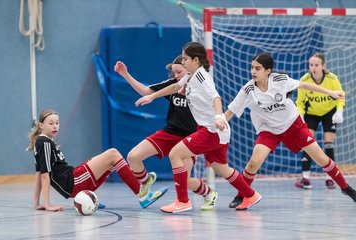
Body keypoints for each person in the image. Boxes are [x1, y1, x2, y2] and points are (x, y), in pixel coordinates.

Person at [135, 42, 262, 213]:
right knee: (221, 168)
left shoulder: (202, 78)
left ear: (196, 60)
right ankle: (251, 195)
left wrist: (218, 116)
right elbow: (174, 87)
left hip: (212, 130)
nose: (183, 61)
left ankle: (182, 201)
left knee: (175, 154)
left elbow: (216, 97)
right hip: (216, 131)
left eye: (186, 58)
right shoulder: (191, 77)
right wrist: (153, 97)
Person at [225, 53, 356, 208]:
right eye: (252, 67)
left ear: (268, 71)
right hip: (268, 130)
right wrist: (217, 124)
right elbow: (230, 111)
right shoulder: (248, 90)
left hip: (293, 125)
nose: (253, 71)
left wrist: (331, 93)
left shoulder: (280, 80)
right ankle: (242, 195)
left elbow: (305, 85)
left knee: (322, 159)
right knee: (253, 162)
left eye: (257, 68)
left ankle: (346, 188)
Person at [114, 56, 218, 211]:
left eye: (179, 72)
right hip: (170, 132)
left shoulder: (200, 85)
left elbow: (215, 99)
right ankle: (146, 181)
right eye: (174, 72)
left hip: (190, 137)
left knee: (186, 180)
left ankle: (209, 193)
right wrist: (125, 75)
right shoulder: (172, 85)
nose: (175, 75)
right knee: (133, 156)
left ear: (189, 68)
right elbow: (146, 90)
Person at [28, 109, 167, 212]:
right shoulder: (44, 143)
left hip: (73, 179)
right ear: (41, 126)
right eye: (51, 123)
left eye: (57, 123)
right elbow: (44, 176)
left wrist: (36, 204)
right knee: (113, 154)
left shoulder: (42, 143)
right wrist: (47, 205)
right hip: (73, 181)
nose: (55, 126)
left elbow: (38, 174)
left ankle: (89, 197)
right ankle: (142, 193)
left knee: (111, 163)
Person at [295, 53, 345, 189]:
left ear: (323, 66)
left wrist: (339, 111)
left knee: (328, 144)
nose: (313, 68)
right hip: (311, 114)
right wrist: (301, 116)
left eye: (316, 65)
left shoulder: (332, 79)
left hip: (329, 113)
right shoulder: (305, 80)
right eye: (311, 65)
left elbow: (341, 96)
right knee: (307, 142)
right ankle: (305, 178)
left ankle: (330, 178)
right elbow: (299, 102)